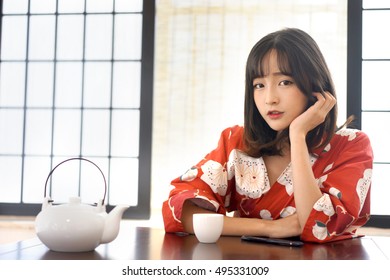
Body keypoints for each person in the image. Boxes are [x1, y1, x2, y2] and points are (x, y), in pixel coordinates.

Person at [162, 28, 373, 243]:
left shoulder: (351, 145)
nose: (270, 98)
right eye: (259, 85)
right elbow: (179, 212)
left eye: (285, 82)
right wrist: (270, 228)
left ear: (314, 85)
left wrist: (298, 135)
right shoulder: (236, 141)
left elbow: (320, 227)